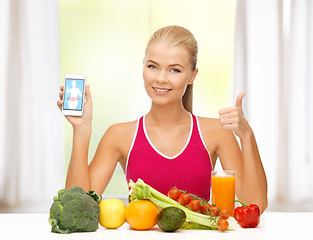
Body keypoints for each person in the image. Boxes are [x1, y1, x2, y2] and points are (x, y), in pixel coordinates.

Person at [57, 25, 268, 213]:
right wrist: (81, 130)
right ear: (143, 67)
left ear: (192, 75)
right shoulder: (119, 135)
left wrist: (246, 135)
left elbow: (255, 203)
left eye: (174, 69)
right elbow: (76, 207)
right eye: (152, 66)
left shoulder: (215, 132)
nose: (160, 78)